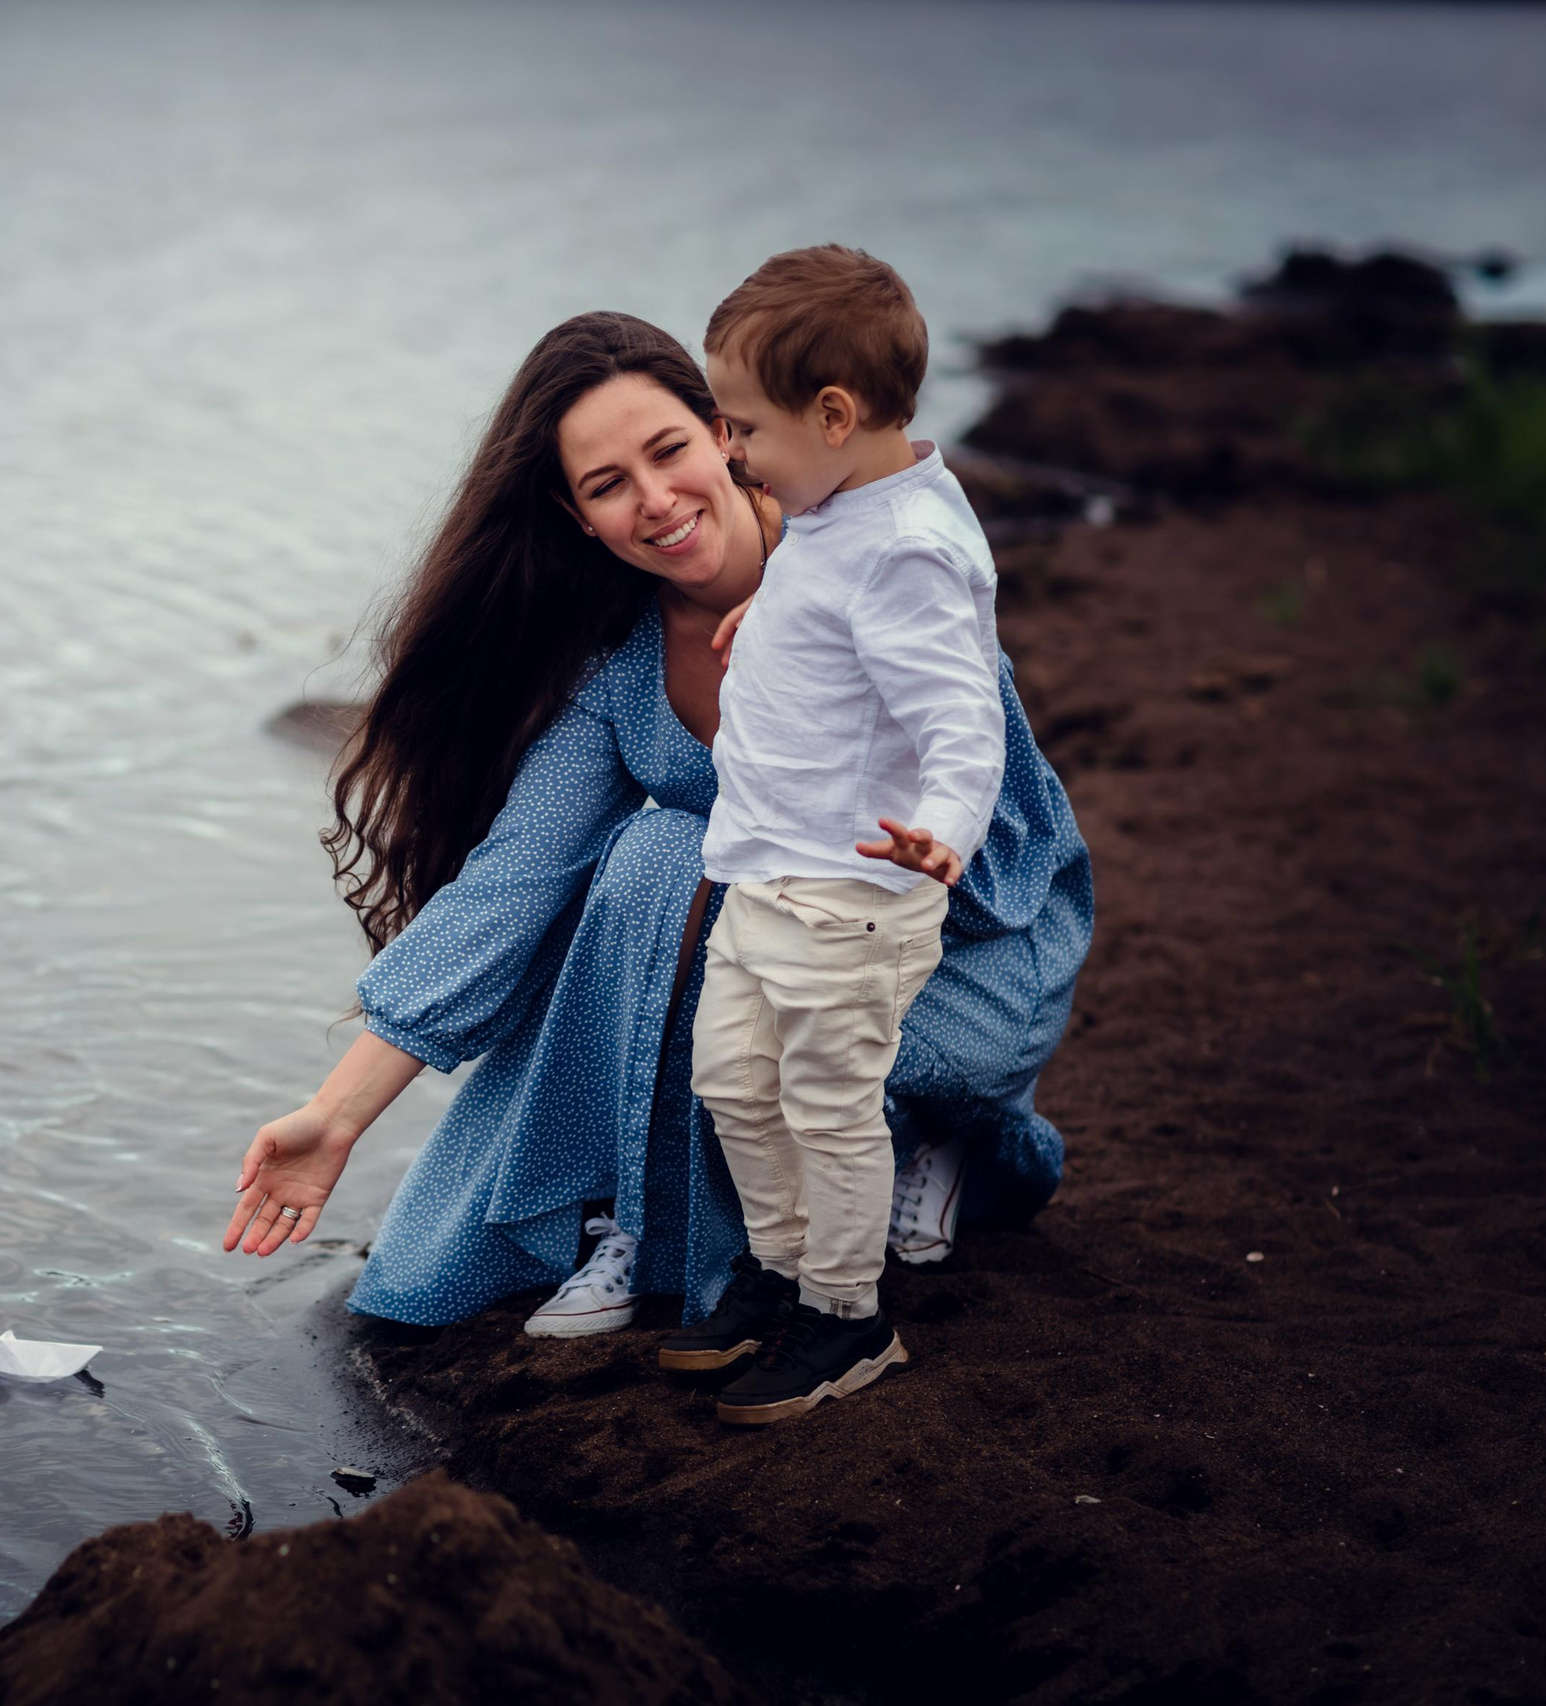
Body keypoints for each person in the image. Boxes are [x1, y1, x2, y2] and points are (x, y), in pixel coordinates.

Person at [221, 312, 1092, 1347]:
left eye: (668, 449)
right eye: (608, 484)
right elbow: (513, 880)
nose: (656, 500)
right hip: (782, 969)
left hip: (968, 947)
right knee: (661, 862)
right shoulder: (623, 668)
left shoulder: (870, 564)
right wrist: (335, 1117)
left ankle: (944, 1132)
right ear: (578, 517)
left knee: (690, 863)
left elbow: (998, 831)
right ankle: (641, 1209)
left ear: (724, 433)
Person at [680, 246, 1000, 1426]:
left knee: (826, 1104)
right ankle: (779, 1267)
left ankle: (846, 1313)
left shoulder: (908, 546)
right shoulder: (842, 506)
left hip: (849, 894)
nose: (728, 453)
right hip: (766, 870)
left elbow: (961, 718)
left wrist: (944, 831)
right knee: (732, 1081)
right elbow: (835, 586)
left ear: (831, 414)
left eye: (743, 427)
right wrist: (772, 610)